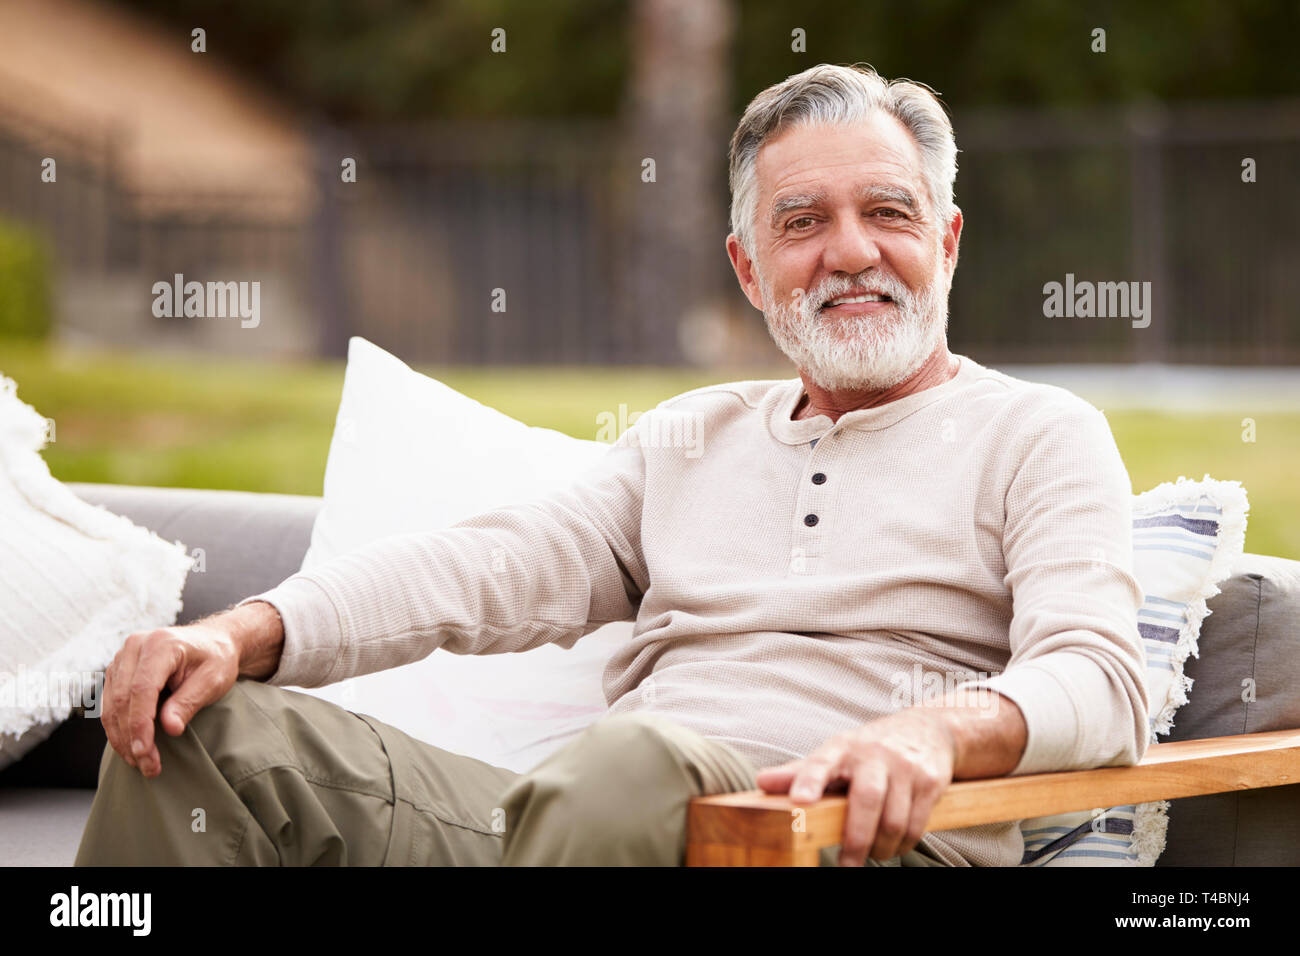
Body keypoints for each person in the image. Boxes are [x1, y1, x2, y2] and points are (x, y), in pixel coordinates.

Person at [76, 62, 1147, 868]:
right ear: (748, 268)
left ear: (947, 242)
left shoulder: (1039, 434)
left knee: (628, 762)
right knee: (201, 725)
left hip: (849, 838)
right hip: (585, 827)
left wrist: (931, 728)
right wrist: (236, 630)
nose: (851, 252)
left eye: (887, 213)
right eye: (803, 223)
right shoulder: (693, 437)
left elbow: (1101, 682)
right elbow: (487, 565)